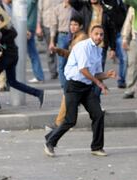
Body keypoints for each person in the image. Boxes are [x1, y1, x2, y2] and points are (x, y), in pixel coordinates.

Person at [44, 25, 116, 157]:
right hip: (74, 86)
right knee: (71, 120)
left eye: (101, 35)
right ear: (90, 34)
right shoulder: (84, 47)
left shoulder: (98, 51)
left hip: (87, 87)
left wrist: (106, 75)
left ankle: (97, 147)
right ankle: (50, 142)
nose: (99, 37)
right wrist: (99, 83)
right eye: (96, 34)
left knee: (98, 114)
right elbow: (83, 70)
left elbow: (96, 73)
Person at [50, 15, 87, 127]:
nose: (72, 27)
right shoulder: (76, 37)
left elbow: (74, 56)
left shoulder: (81, 39)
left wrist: (59, 51)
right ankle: (64, 122)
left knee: (68, 96)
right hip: (78, 75)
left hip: (79, 75)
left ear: (80, 26)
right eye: (71, 24)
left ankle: (59, 123)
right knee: (74, 99)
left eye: (75, 25)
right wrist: (59, 50)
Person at [49, 0, 72, 88]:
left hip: (73, 37)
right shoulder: (57, 9)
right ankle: (64, 85)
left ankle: (71, 83)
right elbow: (53, 26)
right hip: (62, 36)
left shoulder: (74, 7)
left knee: (72, 62)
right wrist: (52, 41)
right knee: (62, 63)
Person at [37, 0, 60, 80]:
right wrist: (38, 26)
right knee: (50, 50)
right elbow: (39, 11)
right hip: (47, 25)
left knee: (63, 49)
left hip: (60, 25)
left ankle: (64, 71)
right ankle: (53, 72)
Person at [121, 6, 137, 99]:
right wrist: (125, 39)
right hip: (135, 39)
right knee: (132, 64)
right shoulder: (133, 7)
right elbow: (128, 23)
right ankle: (130, 89)